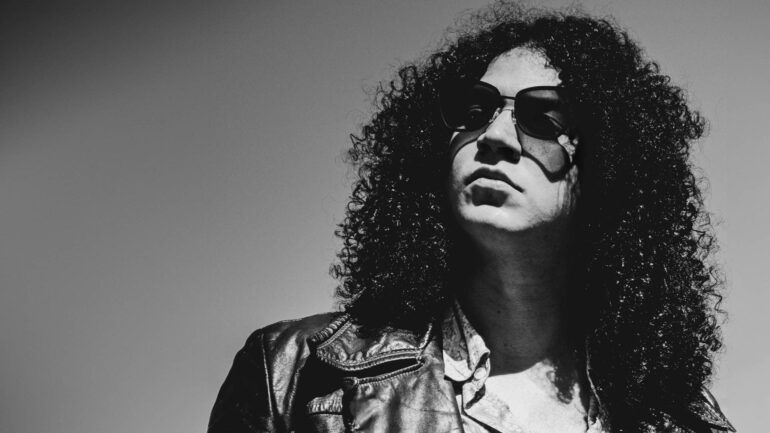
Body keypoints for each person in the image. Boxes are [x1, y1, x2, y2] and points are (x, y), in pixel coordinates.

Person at [208, 2, 734, 432]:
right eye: (475, 110)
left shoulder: (678, 422)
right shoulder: (294, 374)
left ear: (611, 165)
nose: (496, 137)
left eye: (542, 118)